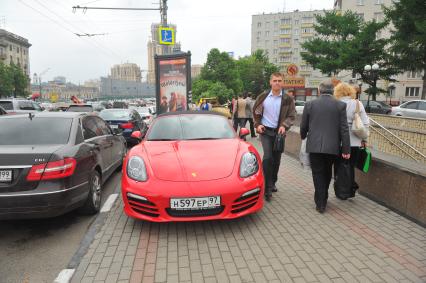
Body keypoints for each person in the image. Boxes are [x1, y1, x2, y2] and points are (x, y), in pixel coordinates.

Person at [300, 79, 351, 213]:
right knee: (328, 172)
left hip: (314, 146)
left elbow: (303, 125)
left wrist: (303, 135)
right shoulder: (340, 105)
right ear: (333, 91)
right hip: (332, 147)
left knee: (317, 173)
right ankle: (324, 197)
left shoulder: (310, 104)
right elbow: (344, 129)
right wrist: (346, 149)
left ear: (319, 90)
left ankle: (320, 202)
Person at [253, 72, 296, 201]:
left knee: (276, 159)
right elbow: (255, 112)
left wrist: (284, 125)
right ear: (270, 82)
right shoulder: (262, 97)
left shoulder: (288, 99)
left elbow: (292, 115)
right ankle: (267, 186)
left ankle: (273, 182)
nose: (277, 83)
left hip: (279, 133)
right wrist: (257, 125)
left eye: (279, 81)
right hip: (265, 132)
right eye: (275, 80)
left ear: (282, 82)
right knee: (267, 157)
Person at [334, 82, 369, 197]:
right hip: (355, 141)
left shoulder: (335, 103)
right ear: (351, 91)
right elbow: (365, 123)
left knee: (339, 166)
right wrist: (364, 139)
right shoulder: (358, 104)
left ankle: (340, 191)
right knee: (350, 166)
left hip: (338, 142)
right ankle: (350, 191)